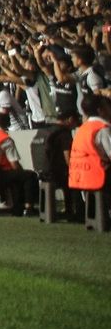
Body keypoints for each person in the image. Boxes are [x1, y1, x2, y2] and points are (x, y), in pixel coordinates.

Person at [68, 94, 111, 228]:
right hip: (99, 175)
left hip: (80, 176)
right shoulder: (102, 128)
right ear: (100, 110)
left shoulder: (82, 129)